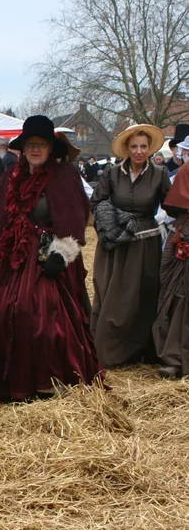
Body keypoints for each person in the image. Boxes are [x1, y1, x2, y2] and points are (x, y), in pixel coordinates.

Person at [0, 115, 103, 401]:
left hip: (48, 254)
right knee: (1, 314)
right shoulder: (10, 176)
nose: (35, 149)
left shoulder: (64, 175)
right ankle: (11, 382)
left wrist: (63, 252)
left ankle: (48, 380)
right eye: (31, 144)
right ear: (22, 148)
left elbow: (74, 216)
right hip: (14, 253)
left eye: (42, 144)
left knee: (37, 314)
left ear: (50, 149)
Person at [91, 124, 170, 368]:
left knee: (143, 295)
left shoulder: (159, 174)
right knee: (113, 296)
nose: (138, 151)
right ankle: (109, 352)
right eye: (134, 146)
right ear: (126, 149)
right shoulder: (112, 174)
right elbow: (96, 203)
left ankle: (141, 350)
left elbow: (172, 205)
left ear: (150, 149)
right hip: (115, 244)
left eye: (143, 146)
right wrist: (112, 223)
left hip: (145, 245)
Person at [153, 164, 189, 378]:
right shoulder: (186, 170)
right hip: (185, 234)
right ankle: (175, 357)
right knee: (178, 296)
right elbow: (174, 205)